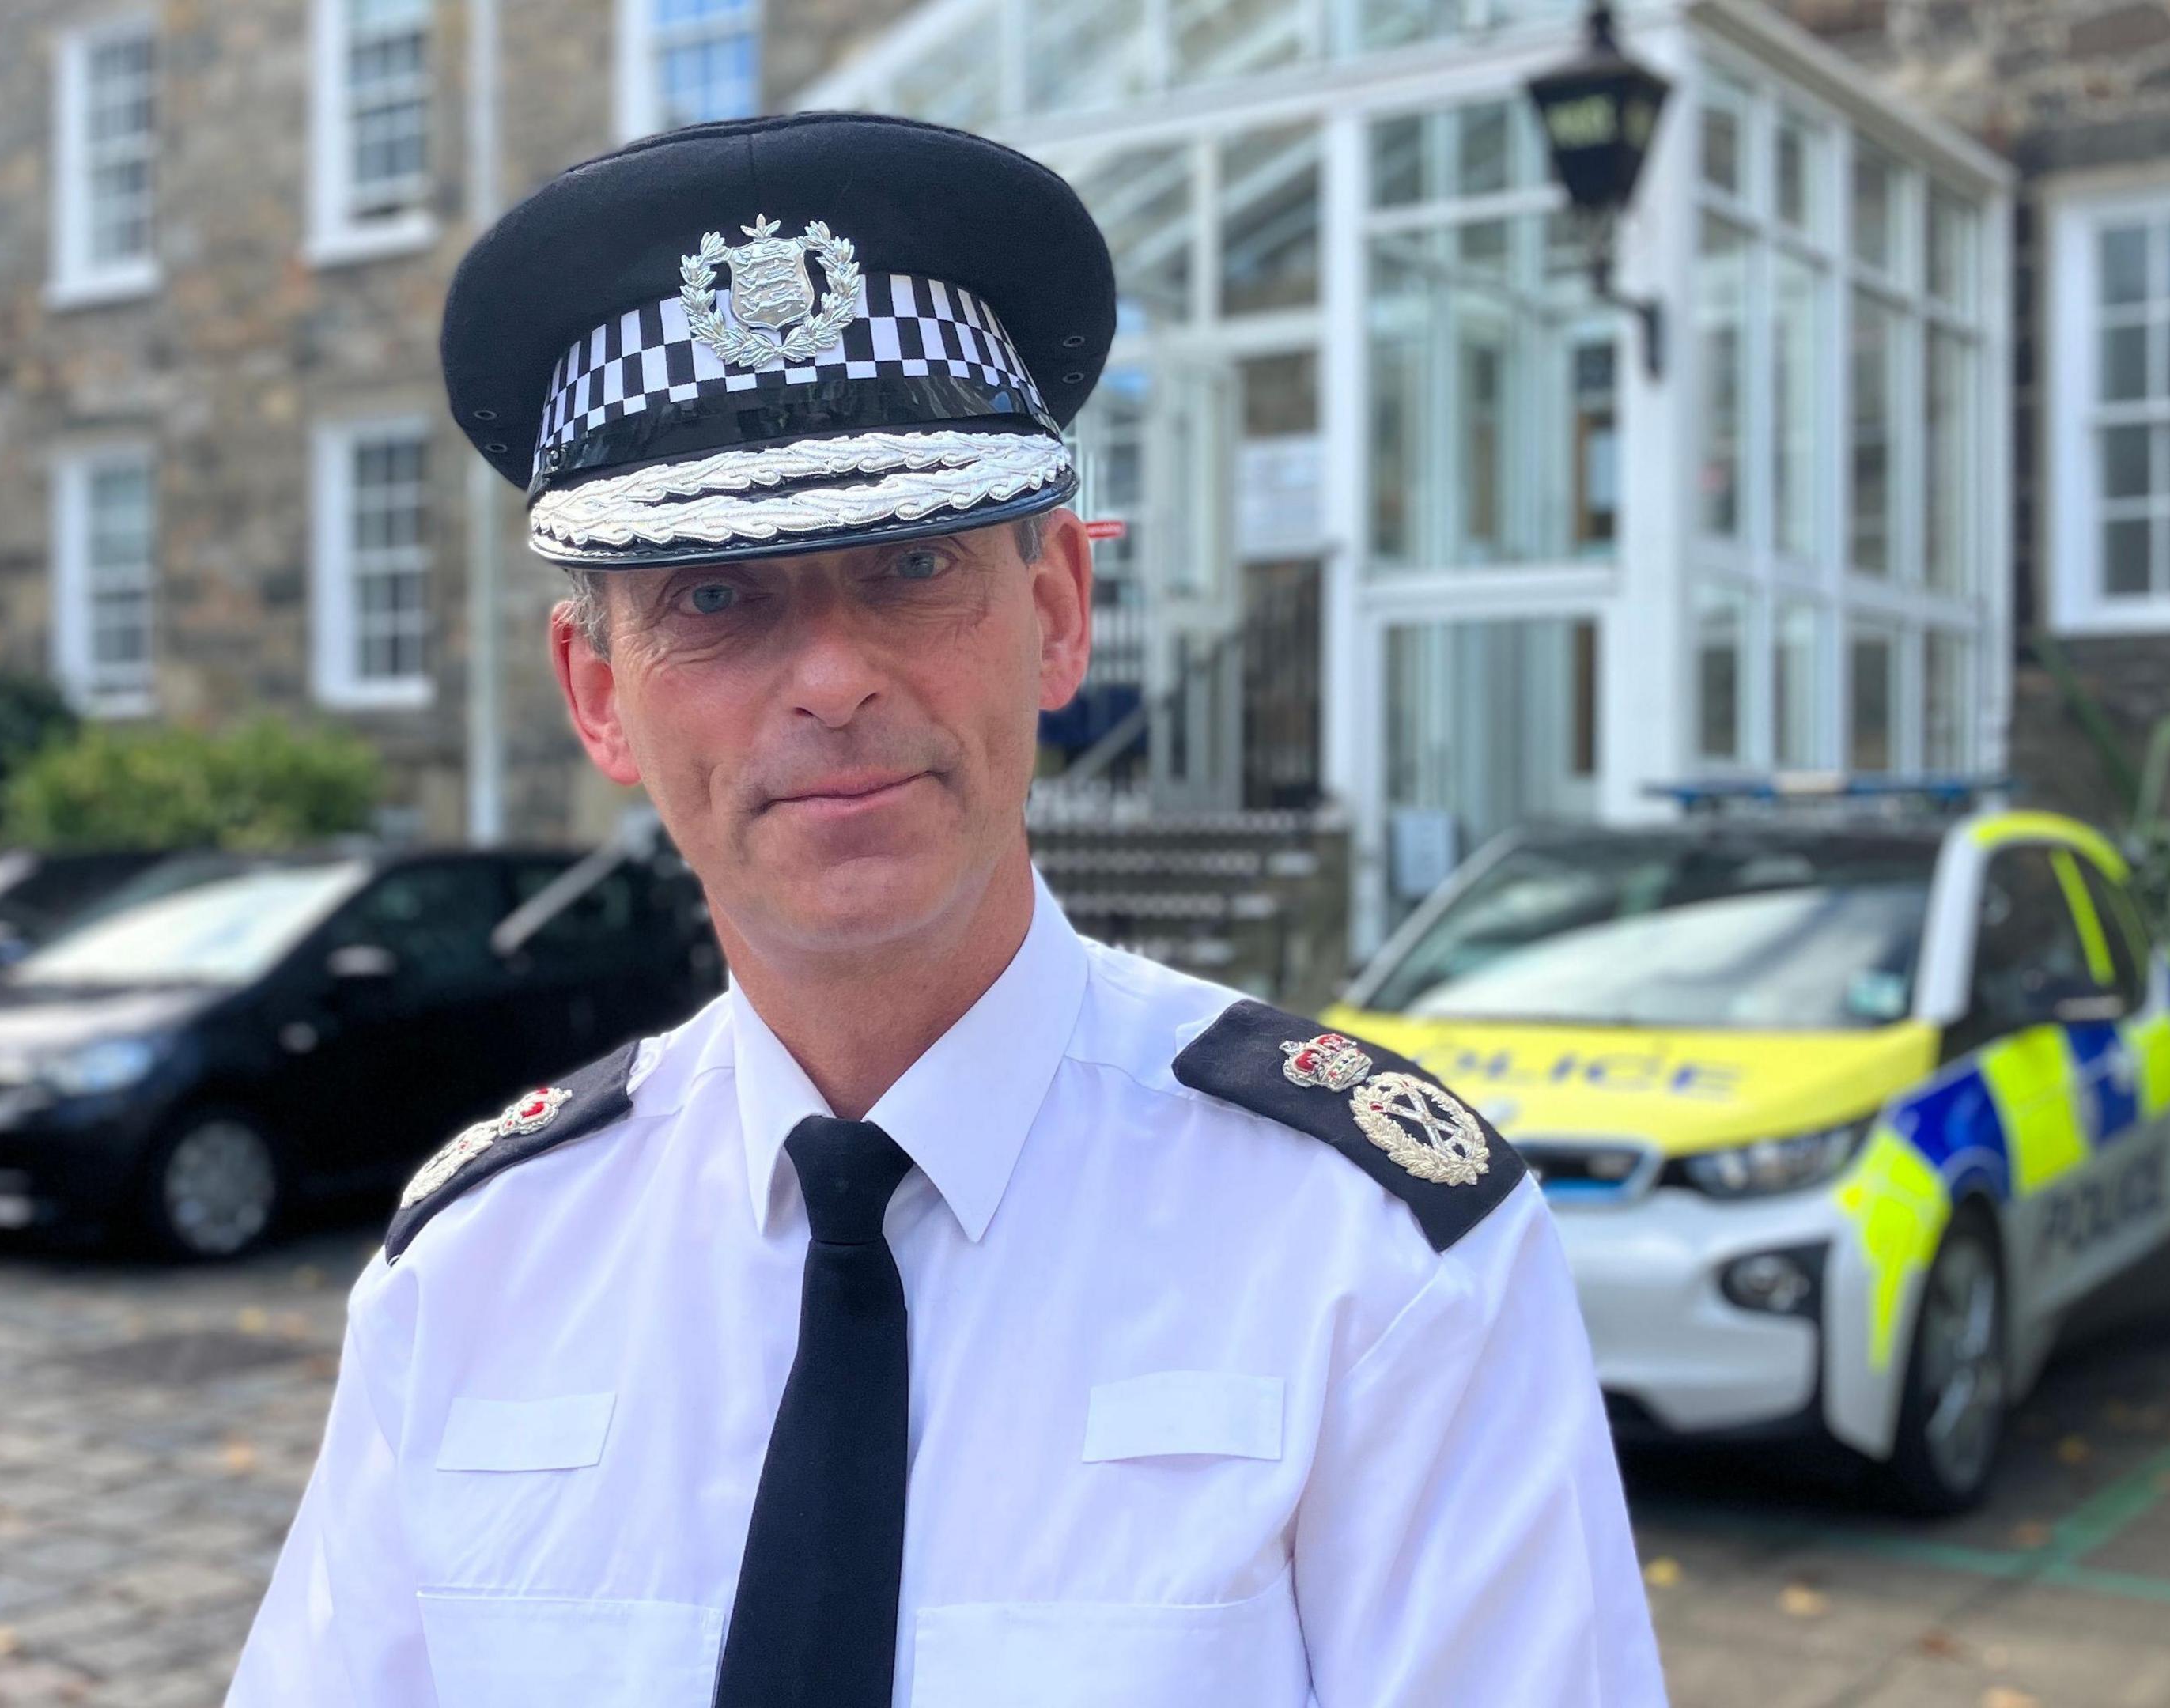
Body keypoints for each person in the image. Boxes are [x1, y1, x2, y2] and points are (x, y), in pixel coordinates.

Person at [228, 111, 1666, 1708]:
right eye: (715, 598)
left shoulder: (1373, 1262)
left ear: (1056, 613)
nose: (832, 680)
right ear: (598, 694)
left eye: (911, 565)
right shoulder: (474, 1274)